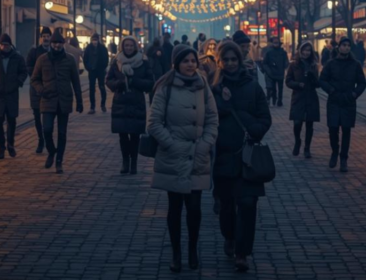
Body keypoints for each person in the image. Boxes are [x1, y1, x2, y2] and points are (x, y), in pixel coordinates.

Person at [149, 44, 219, 272]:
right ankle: (176, 252)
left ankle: (192, 250)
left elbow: (212, 118)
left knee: (195, 208)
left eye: (192, 60)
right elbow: (154, 123)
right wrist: (171, 144)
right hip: (173, 155)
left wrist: (206, 143)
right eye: (185, 61)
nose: (190, 64)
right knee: (175, 208)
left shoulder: (203, 85)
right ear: (176, 64)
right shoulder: (165, 87)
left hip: (198, 155)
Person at [210, 41, 272, 272]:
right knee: (227, 206)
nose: (230, 63)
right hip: (224, 157)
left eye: (233, 59)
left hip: (248, 156)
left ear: (240, 60)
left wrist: (254, 130)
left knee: (247, 204)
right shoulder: (213, 87)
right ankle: (229, 236)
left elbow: (265, 117)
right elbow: (207, 118)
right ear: (220, 62)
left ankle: (242, 253)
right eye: (225, 60)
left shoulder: (253, 86)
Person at [31, 31, 84, 173]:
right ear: (51, 43)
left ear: (63, 44)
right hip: (47, 99)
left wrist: (79, 101)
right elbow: (34, 79)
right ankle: (51, 151)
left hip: (64, 100)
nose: (56, 45)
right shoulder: (42, 59)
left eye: (59, 43)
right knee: (47, 129)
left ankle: (59, 160)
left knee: (62, 133)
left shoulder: (70, 59)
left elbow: (75, 81)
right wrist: (41, 90)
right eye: (54, 42)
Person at [106, 36, 155, 175]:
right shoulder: (117, 61)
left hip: (136, 103)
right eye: (126, 45)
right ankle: (125, 161)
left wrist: (134, 82)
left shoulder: (143, 62)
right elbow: (109, 80)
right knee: (122, 136)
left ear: (135, 47)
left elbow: (150, 83)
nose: (128, 48)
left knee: (134, 136)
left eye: (131, 45)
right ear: (122, 46)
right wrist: (118, 85)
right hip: (120, 102)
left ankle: (134, 162)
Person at [319, 37, 366, 172]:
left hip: (348, 101)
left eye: (348, 45)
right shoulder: (331, 63)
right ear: (339, 47)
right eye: (344, 45)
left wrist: (354, 94)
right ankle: (334, 152)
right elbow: (322, 80)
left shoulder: (355, 64)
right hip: (334, 100)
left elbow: (362, 83)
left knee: (346, 130)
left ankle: (343, 158)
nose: (346, 47)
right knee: (333, 129)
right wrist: (331, 90)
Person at [0, 33, 29, 159]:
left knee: (11, 121)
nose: (4, 47)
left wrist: (18, 82)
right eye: (2, 45)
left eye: (7, 45)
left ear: (10, 45)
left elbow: (24, 72)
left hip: (11, 94)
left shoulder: (17, 58)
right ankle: (1, 147)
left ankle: (11, 144)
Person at [286, 41, 321, 158]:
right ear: (300, 51)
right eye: (304, 50)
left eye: (308, 50)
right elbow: (288, 81)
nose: (306, 52)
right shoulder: (293, 65)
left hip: (311, 96)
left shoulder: (314, 65)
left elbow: (318, 84)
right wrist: (297, 84)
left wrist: (313, 77)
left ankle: (307, 148)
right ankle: (297, 141)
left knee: (309, 124)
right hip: (298, 96)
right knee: (297, 123)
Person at [25, 27, 52, 154]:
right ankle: (41, 139)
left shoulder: (54, 51)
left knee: (48, 116)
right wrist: (36, 76)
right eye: (44, 36)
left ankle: (47, 138)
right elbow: (28, 66)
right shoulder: (34, 52)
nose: (46, 38)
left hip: (49, 89)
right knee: (37, 115)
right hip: (36, 88)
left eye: (48, 36)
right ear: (41, 38)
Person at [84, 33, 110, 114]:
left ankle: (103, 104)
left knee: (102, 87)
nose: (94, 42)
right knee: (91, 88)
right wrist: (88, 68)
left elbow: (106, 59)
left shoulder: (102, 48)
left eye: (96, 40)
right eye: (93, 40)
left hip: (100, 71)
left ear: (98, 40)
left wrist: (103, 68)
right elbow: (85, 59)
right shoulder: (88, 48)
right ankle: (92, 107)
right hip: (92, 71)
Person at [261, 36, 289, 107]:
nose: (276, 44)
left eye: (277, 42)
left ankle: (279, 100)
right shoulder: (269, 52)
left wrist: (285, 65)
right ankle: (274, 100)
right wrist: (268, 71)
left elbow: (286, 61)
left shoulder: (283, 52)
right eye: (274, 42)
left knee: (280, 88)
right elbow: (265, 63)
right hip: (272, 73)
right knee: (273, 88)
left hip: (280, 73)